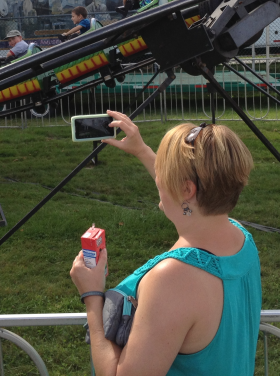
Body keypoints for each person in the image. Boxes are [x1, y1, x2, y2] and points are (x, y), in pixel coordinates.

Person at [70, 111, 261, 376]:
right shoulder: (240, 239)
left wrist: (91, 295)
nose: (158, 176)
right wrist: (141, 150)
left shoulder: (173, 280)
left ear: (187, 190)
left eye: (163, 170)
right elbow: (187, 199)